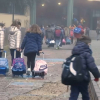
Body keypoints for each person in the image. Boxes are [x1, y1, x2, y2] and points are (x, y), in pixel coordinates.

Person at [69, 36, 100, 100]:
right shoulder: (87, 53)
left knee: (73, 95)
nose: (90, 45)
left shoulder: (74, 51)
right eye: (89, 44)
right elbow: (92, 66)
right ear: (87, 44)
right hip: (83, 77)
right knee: (85, 94)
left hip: (73, 77)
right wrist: (97, 76)